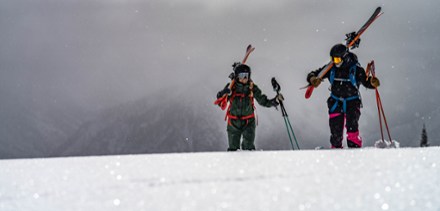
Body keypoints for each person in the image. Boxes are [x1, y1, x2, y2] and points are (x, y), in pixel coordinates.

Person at [307, 44, 380, 148]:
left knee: (352, 133)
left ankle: (355, 154)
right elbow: (314, 73)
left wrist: (373, 83)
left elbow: (366, 82)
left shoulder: (356, 69)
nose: (334, 62)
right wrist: (312, 79)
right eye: (332, 59)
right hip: (335, 103)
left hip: (352, 103)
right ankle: (336, 157)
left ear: (345, 57)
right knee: (335, 136)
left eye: (336, 59)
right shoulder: (331, 68)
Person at [216, 63, 282, 151]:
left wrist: (274, 101)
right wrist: (222, 93)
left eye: (246, 76)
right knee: (233, 149)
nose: (244, 79)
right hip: (233, 122)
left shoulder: (252, 88)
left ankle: (251, 164)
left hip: (248, 122)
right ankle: (232, 164)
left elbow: (263, 101)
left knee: (249, 148)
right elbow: (221, 103)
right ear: (237, 77)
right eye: (241, 76)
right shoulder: (232, 88)